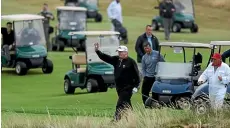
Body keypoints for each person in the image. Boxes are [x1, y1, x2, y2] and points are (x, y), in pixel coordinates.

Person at [94, 43, 140, 121]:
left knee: (120, 104)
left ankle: (115, 120)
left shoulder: (131, 62)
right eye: (118, 52)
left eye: (121, 52)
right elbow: (106, 58)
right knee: (126, 104)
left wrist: (136, 86)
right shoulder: (116, 60)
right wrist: (97, 51)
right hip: (119, 88)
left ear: (126, 52)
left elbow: (137, 75)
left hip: (128, 88)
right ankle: (133, 119)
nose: (119, 53)